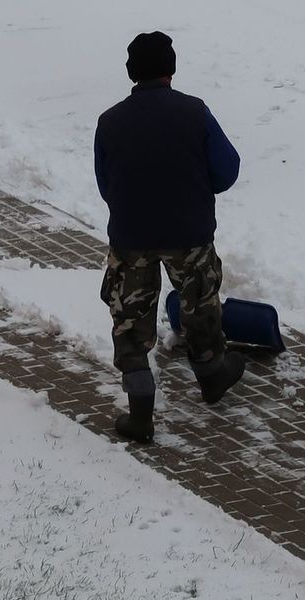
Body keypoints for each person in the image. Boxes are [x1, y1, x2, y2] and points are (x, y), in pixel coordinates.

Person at [94, 31, 245, 444]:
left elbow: (105, 183)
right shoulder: (194, 113)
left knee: (130, 319)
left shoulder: (109, 122)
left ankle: (140, 413)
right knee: (199, 304)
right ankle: (213, 374)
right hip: (189, 234)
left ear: (131, 73)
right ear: (171, 69)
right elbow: (227, 170)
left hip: (131, 238)